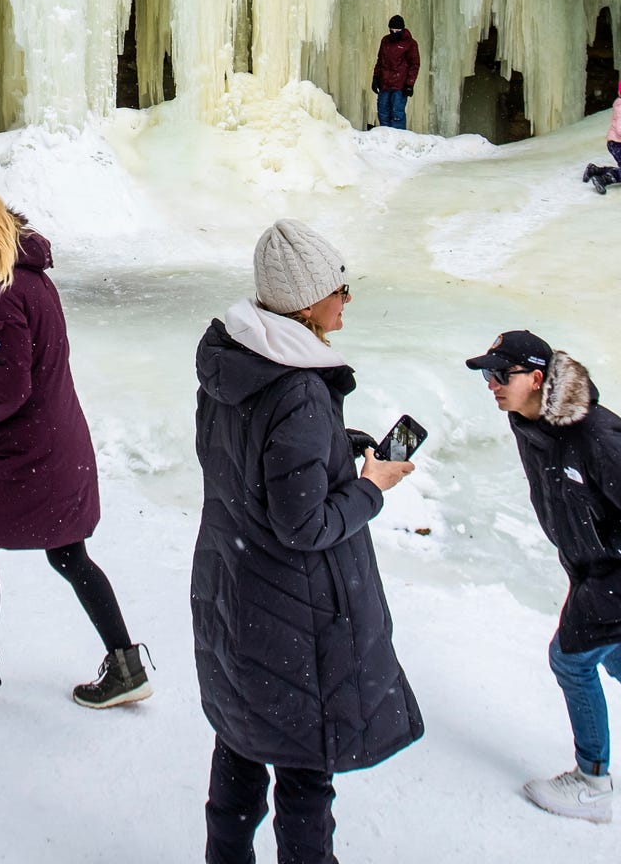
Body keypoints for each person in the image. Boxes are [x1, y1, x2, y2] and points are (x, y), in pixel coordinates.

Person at [193, 219, 422, 864]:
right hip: (292, 614)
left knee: (240, 747)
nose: (348, 298)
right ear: (305, 301)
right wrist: (372, 486)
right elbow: (305, 525)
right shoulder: (300, 388)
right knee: (304, 770)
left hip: (231, 589)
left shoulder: (235, 364)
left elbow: (241, 463)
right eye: (339, 288)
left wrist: (338, 455)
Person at [467, 329, 621, 823]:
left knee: (572, 659)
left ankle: (591, 783)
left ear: (537, 378)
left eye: (501, 375)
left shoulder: (597, 437)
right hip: (597, 571)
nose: (492, 384)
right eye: (487, 375)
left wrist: (603, 547)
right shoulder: (529, 420)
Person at [0, 185, 148, 710]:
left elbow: (9, 389)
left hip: (29, 452)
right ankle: (125, 665)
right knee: (68, 553)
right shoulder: (33, 278)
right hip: (58, 439)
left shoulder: (1, 294)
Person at [370, 16, 420, 131]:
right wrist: (375, 78)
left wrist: (409, 84)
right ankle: (385, 137)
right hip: (384, 83)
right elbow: (380, 60)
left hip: (400, 85)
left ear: (402, 29)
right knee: (383, 111)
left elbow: (414, 65)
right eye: (391, 30)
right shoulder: (385, 41)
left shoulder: (410, 44)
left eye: (397, 31)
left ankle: (397, 138)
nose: (394, 33)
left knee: (397, 113)